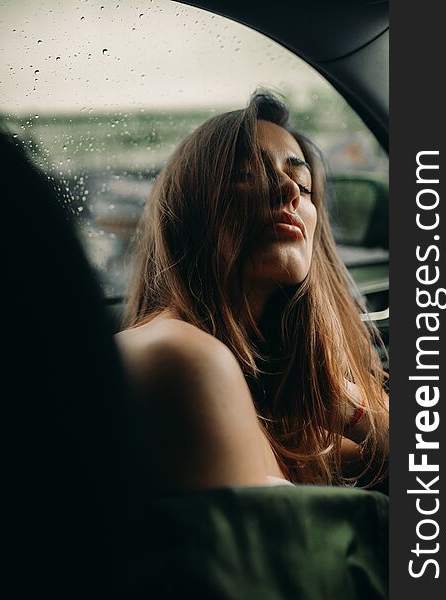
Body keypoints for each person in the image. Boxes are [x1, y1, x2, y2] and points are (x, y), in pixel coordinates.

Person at [115, 90, 389, 492]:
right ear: (192, 206)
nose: (289, 192)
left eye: (301, 182)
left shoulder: (272, 403)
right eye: (247, 173)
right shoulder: (180, 357)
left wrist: (341, 400)